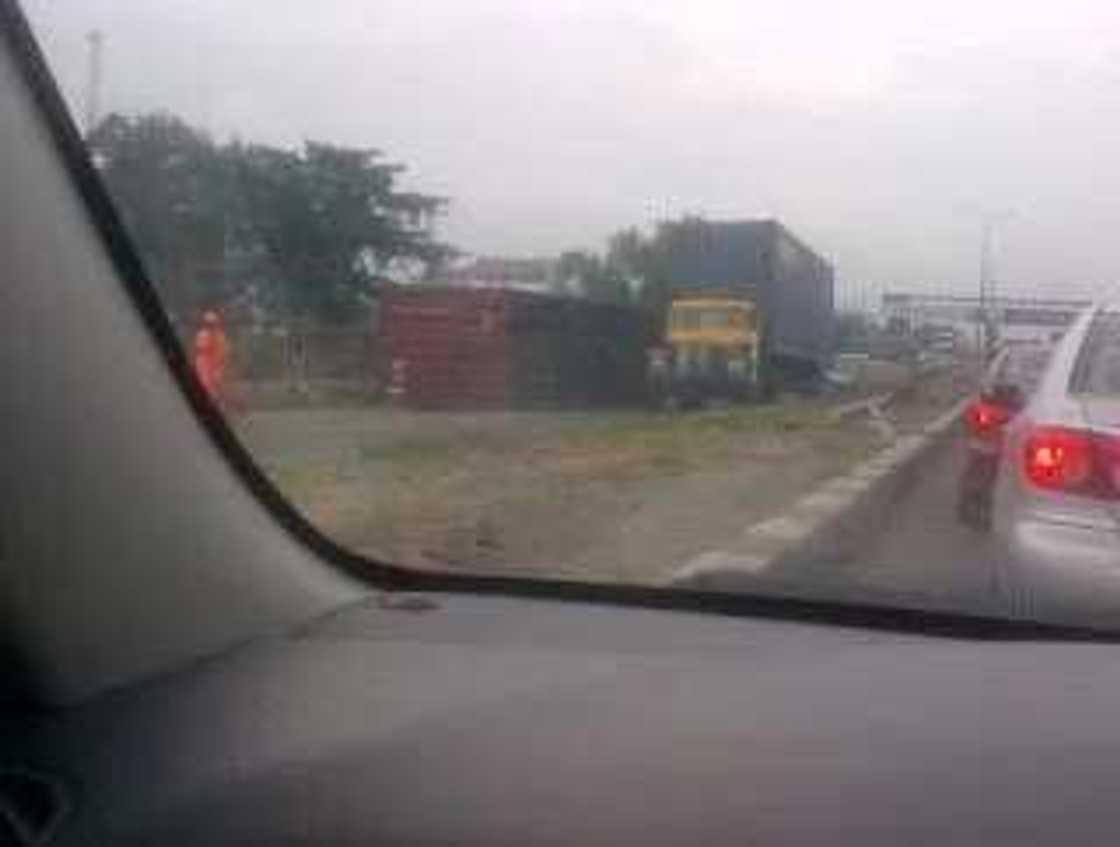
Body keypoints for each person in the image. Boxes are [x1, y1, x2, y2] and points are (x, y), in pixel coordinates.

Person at [193, 309, 229, 408]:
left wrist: (220, 364)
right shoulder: (203, 334)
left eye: (212, 323)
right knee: (206, 385)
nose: (210, 325)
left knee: (217, 385)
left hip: (216, 364)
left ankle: (220, 405)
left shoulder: (220, 336)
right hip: (204, 363)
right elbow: (202, 348)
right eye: (209, 323)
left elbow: (223, 351)